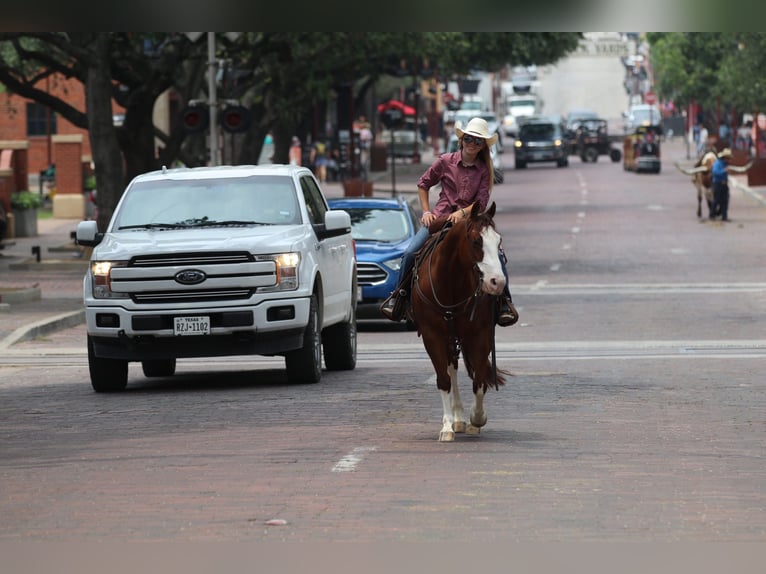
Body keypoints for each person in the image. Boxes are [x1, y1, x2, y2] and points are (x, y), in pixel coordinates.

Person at [380, 117, 518, 327]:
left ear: (482, 147)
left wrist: (463, 213)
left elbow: (481, 201)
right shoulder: (445, 161)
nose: (472, 144)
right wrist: (426, 212)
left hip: (470, 222)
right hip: (441, 218)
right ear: (462, 139)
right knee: (410, 252)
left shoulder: (483, 170)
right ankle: (399, 297)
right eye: (469, 139)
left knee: (497, 254)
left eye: (478, 141)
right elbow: (423, 184)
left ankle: (504, 302)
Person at [711, 147, 732, 221]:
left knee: (725, 200)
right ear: (725, 158)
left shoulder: (725, 164)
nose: (729, 160)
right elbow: (715, 173)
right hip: (718, 184)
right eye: (728, 158)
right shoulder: (717, 163)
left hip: (724, 184)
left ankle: (724, 216)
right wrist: (724, 171)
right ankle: (712, 215)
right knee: (716, 200)